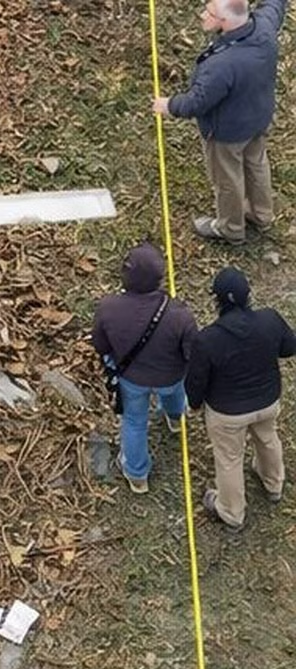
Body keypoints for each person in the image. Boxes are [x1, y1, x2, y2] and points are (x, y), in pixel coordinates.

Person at [152, 0, 288, 244]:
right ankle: (262, 214)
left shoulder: (221, 66)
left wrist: (169, 105)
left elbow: (197, 102)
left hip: (227, 133)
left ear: (224, 22)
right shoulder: (264, 26)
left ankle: (231, 229)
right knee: (257, 164)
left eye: (210, 12)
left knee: (227, 180)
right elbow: (275, 4)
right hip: (258, 119)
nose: (203, 14)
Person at [185, 267, 296, 530]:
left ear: (218, 301)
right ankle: (273, 484)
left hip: (228, 412)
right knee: (267, 437)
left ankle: (232, 513)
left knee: (229, 459)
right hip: (267, 402)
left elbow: (196, 380)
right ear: (249, 295)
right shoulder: (269, 319)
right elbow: (290, 347)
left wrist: (195, 403)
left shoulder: (208, 339)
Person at [92, 243, 199, 493]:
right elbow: (192, 352)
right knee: (174, 395)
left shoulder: (108, 307)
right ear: (159, 278)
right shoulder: (179, 313)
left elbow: (100, 345)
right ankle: (175, 419)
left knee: (134, 421)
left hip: (131, 378)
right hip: (171, 376)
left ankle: (137, 475)